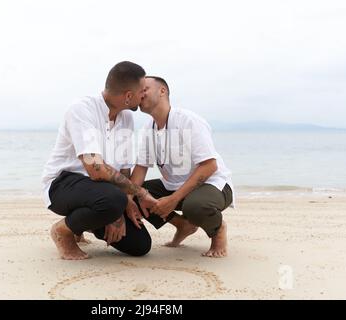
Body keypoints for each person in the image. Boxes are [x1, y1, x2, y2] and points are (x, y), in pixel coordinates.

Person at [42, 61, 158, 260]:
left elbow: (123, 168)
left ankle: (84, 224)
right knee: (113, 200)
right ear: (129, 96)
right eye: (142, 91)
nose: (144, 95)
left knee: (140, 245)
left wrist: (123, 207)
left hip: (101, 192)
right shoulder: (81, 109)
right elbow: (95, 168)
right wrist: (137, 193)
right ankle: (63, 232)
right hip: (63, 185)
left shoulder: (126, 118)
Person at [127, 76, 234, 258]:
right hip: (175, 187)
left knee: (196, 206)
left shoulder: (188, 121)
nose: (140, 94)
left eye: (144, 89)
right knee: (136, 195)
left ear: (162, 91)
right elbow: (140, 168)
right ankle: (183, 225)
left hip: (214, 184)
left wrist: (173, 199)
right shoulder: (148, 129)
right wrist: (128, 198)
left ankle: (218, 230)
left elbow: (209, 166)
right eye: (139, 91)